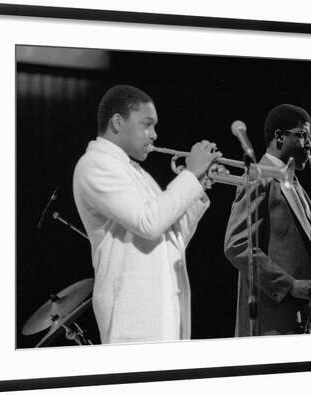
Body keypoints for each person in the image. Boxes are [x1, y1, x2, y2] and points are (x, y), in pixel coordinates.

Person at [73, 85, 221, 344]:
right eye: (147, 125)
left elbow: (172, 241)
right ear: (118, 122)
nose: (154, 135)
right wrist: (190, 175)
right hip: (133, 320)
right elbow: (149, 223)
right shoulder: (95, 164)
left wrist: (197, 189)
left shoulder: (138, 172)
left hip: (162, 311)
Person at [224, 103, 311, 336]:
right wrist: (290, 285)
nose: (310, 144)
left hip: (301, 317)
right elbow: (237, 246)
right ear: (279, 137)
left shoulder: (295, 185)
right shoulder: (258, 176)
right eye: (303, 136)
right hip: (273, 321)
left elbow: (293, 243)